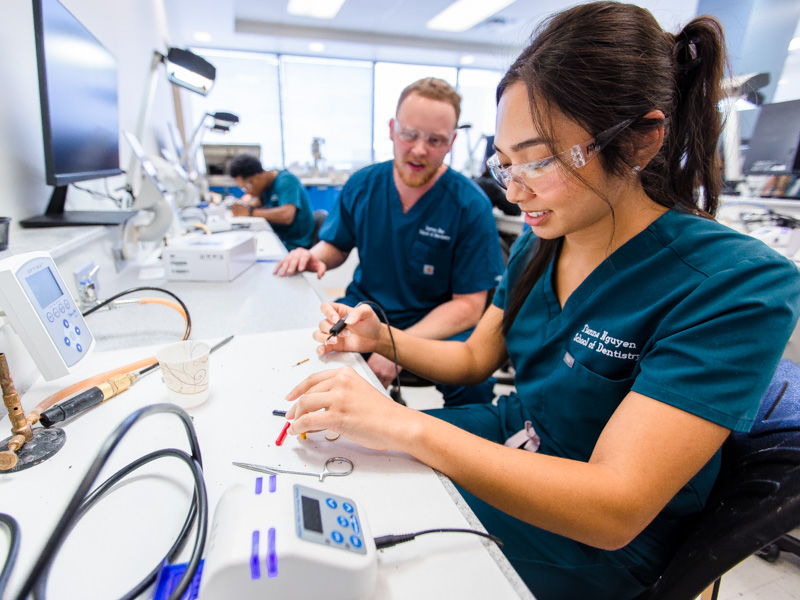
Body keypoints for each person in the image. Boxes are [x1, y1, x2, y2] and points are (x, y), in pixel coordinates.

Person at [282, 3, 800, 599]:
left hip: (598, 533)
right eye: (505, 164)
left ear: (639, 142)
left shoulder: (734, 284)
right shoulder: (541, 240)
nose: (516, 188)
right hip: (518, 432)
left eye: (541, 159)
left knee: (378, 565)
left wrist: (404, 426)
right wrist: (383, 339)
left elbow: (614, 507)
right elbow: (478, 358)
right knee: (342, 467)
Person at [274, 78, 505, 406]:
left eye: (435, 140)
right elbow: (337, 246)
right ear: (392, 129)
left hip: (436, 321)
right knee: (315, 356)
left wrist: (392, 346)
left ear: (452, 141)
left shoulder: (470, 205)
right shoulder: (363, 184)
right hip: (366, 309)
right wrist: (315, 257)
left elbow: (468, 306)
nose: (419, 149)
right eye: (409, 134)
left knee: (474, 386)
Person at [228, 154, 315, 251]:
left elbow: (287, 216)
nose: (248, 192)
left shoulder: (286, 181)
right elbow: (253, 201)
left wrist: (250, 212)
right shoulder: (264, 188)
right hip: (279, 238)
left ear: (257, 178)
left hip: (295, 244)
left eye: (246, 187)